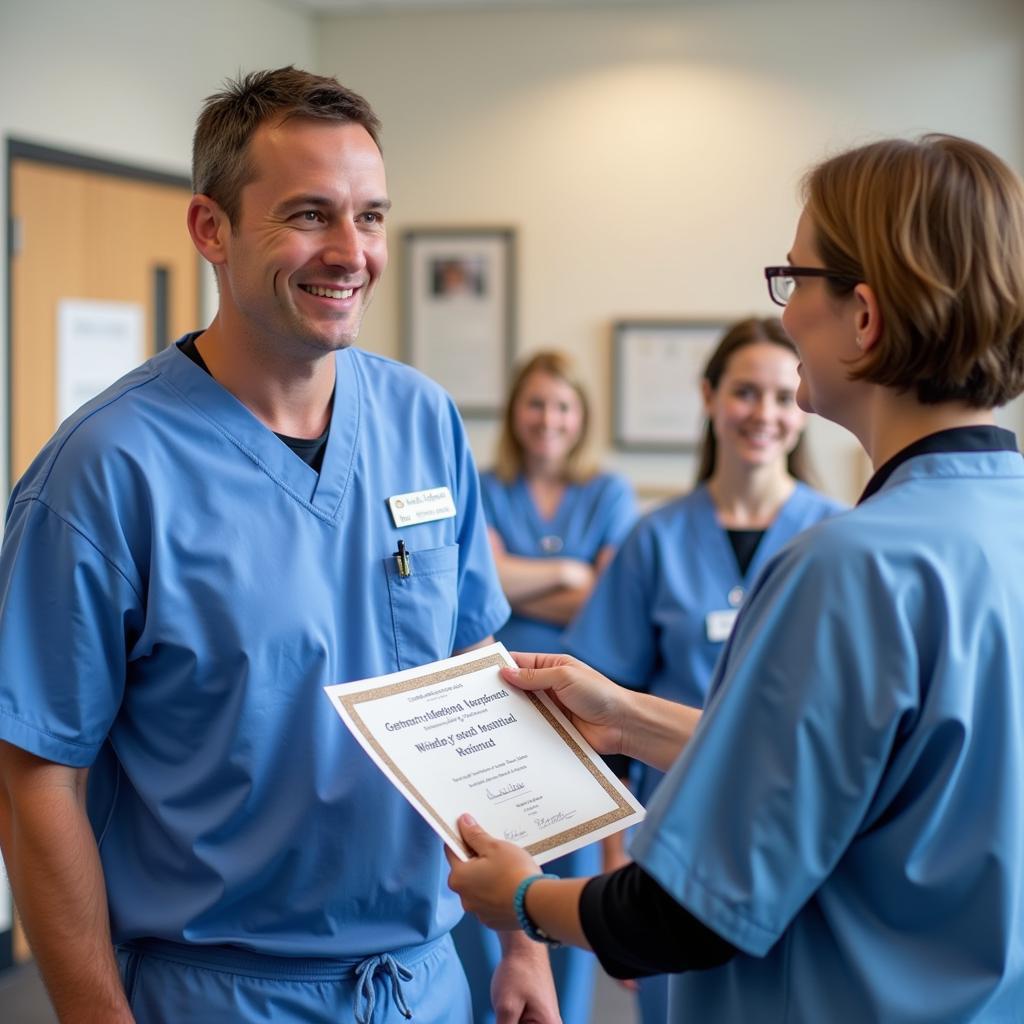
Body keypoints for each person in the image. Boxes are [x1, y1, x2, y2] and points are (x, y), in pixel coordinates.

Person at [0, 67, 559, 1024]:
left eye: (371, 217)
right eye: (310, 215)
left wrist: (518, 941)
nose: (352, 253)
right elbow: (37, 773)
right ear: (210, 229)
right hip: (219, 990)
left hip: (424, 979)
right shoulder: (104, 471)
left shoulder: (421, 419)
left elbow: (481, 683)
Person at [448, 132, 1024, 1023]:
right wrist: (631, 718)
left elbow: (685, 912)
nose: (786, 315)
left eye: (795, 281)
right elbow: (863, 779)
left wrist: (524, 900)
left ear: (864, 318)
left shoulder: (850, 565)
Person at [564, 317, 843, 1022]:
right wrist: (613, 862)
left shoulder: (839, 540)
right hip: (671, 845)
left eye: (784, 396)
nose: (766, 414)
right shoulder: (655, 540)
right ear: (710, 397)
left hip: (802, 842)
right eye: (746, 392)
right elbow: (597, 721)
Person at [453, 351, 637, 1024]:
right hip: (497, 705)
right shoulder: (483, 483)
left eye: (562, 404)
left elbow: (608, 602)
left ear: (581, 416)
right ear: (514, 413)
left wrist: (523, 580)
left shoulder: (609, 491)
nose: (548, 418)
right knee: (487, 867)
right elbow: (482, 587)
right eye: (535, 403)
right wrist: (571, 570)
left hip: (575, 716)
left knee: (573, 868)